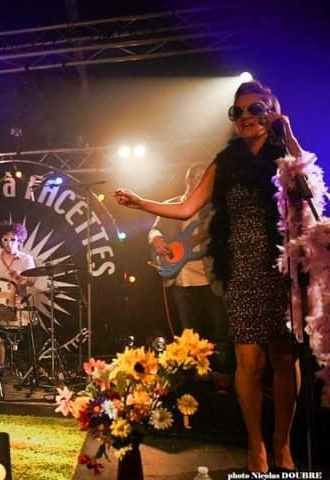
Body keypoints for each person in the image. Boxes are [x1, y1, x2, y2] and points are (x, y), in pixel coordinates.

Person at [115, 80, 312, 473]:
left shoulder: (284, 157)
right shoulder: (225, 163)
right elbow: (187, 208)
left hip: (282, 269)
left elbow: (308, 188)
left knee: (284, 357)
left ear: (272, 112)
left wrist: (288, 136)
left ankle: (283, 442)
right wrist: (140, 203)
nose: (244, 117)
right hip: (242, 270)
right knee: (249, 361)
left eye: (254, 109)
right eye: (237, 111)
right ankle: (256, 445)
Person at [148, 164, 233, 390]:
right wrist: (156, 239)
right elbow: (154, 228)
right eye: (194, 178)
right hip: (181, 279)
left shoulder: (216, 207)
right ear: (187, 180)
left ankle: (222, 378)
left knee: (220, 331)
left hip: (210, 279)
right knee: (189, 333)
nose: (198, 182)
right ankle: (195, 378)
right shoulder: (171, 205)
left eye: (202, 178)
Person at [0, 222, 37, 300]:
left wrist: (19, 276)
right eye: (5, 239)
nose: (9, 243)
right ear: (1, 241)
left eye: (13, 239)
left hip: (18, 301)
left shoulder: (27, 259)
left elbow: (32, 282)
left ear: (19, 241)